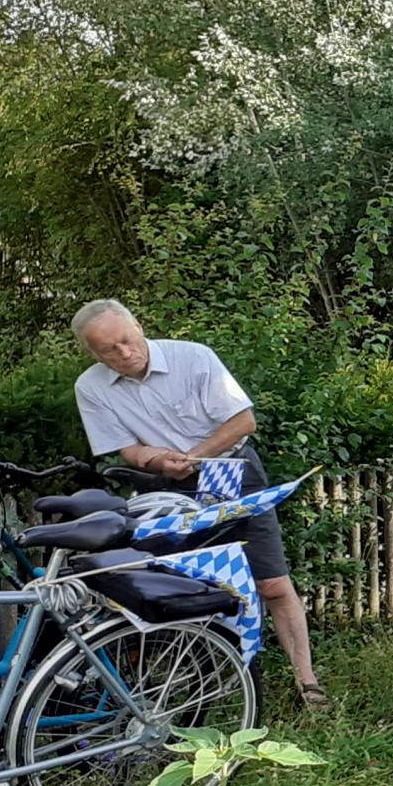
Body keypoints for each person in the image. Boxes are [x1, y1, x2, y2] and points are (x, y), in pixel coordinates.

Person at [72, 301, 324, 705]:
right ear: (93, 354)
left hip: (231, 469)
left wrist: (193, 455)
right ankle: (202, 687)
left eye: (126, 340)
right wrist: (156, 460)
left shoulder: (192, 357)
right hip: (164, 486)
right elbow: (127, 451)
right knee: (181, 585)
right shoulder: (91, 387)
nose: (123, 353)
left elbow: (244, 421)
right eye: (108, 350)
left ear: (139, 325)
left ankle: (308, 684)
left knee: (271, 582)